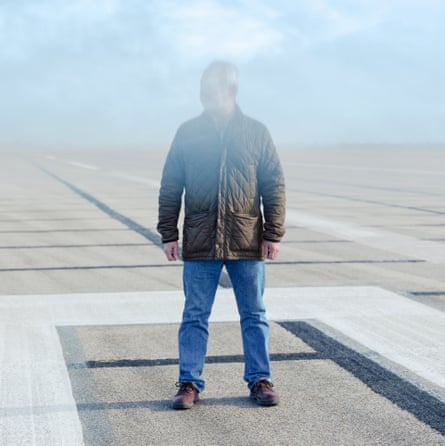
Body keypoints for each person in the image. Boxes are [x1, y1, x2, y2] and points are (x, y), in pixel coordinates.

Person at [157, 60, 286, 410]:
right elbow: (171, 186)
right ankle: (189, 383)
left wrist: (273, 233)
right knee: (194, 315)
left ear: (231, 92)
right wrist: (169, 233)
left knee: (254, 314)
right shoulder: (188, 132)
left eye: (212, 92)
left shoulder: (256, 132)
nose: (206, 99)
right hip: (200, 240)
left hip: (247, 240)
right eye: (203, 93)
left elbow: (273, 185)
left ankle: (260, 379)